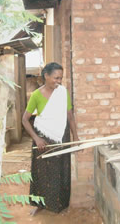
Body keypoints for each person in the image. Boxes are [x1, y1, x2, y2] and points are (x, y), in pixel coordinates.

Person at [22, 62, 79, 215]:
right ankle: (40, 204)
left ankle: (60, 205)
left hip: (61, 137)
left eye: (60, 78)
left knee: (61, 171)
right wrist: (36, 138)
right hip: (43, 139)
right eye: (56, 78)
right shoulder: (36, 95)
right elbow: (25, 120)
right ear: (46, 76)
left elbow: (70, 116)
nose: (59, 81)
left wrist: (76, 137)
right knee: (41, 173)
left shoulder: (63, 92)